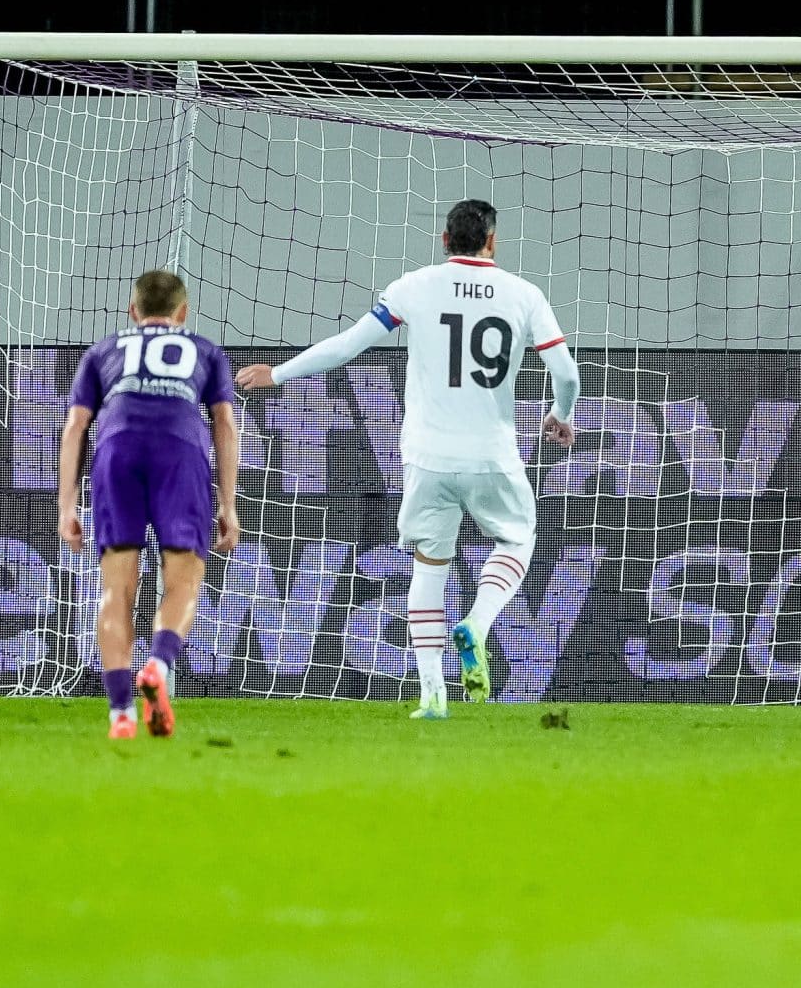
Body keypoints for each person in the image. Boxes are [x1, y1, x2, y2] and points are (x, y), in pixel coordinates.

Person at [237, 200, 580, 720]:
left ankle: (432, 698)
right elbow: (567, 372)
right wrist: (560, 413)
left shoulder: (413, 287)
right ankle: (479, 625)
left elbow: (349, 345)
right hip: (492, 454)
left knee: (429, 565)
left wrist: (278, 374)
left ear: (445, 240)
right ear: (492, 242)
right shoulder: (525, 295)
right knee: (517, 538)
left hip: (427, 458)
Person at [58, 270, 242, 740]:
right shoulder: (205, 350)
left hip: (117, 451)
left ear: (131, 311)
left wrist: (66, 505)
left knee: (116, 588)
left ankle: (121, 713)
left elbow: (76, 428)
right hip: (180, 453)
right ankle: (158, 664)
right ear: (182, 314)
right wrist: (228, 502)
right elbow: (225, 423)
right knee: (183, 581)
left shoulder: (102, 351)